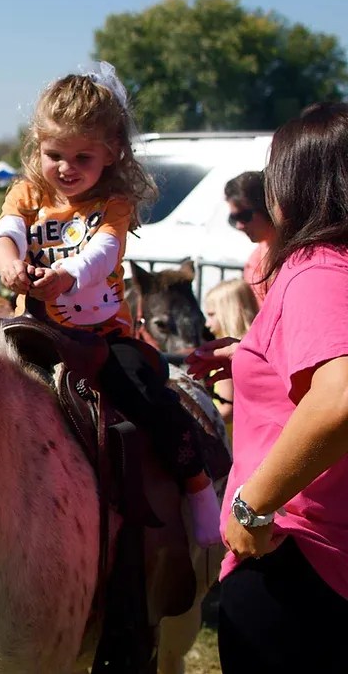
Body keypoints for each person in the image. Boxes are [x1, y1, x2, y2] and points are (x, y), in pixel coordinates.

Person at [0, 62, 222, 548]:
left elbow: (105, 251)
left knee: (146, 394)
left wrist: (66, 275)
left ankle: (196, 485)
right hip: (31, 328)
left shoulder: (113, 202)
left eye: (82, 157)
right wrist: (9, 265)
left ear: (112, 152)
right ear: (37, 144)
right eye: (55, 154)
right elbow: (4, 234)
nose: (66, 168)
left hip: (102, 337)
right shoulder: (28, 192)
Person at [186, 102, 348, 673]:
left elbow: (341, 396)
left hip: (296, 553)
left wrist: (253, 508)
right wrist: (257, 355)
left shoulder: (315, 266)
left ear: (295, 184)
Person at [202, 279, 259, 426]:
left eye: (212, 315)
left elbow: (226, 408)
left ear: (229, 313)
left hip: (228, 436)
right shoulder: (255, 345)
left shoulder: (226, 354)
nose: (207, 324)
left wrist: (199, 424)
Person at [224, 171, 277, 305]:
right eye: (234, 218)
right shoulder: (256, 258)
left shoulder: (296, 256)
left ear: (266, 207)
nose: (239, 226)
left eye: (244, 216)